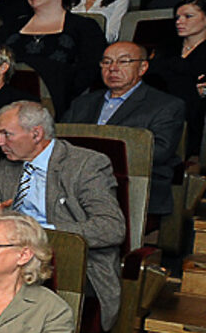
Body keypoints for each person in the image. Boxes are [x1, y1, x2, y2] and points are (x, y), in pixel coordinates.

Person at [0, 101, 127, 330]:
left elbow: (111, 228)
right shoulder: (7, 167)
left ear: (36, 133)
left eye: (6, 134)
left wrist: (42, 234)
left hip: (71, 260)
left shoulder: (85, 165)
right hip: (11, 253)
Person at [63, 41, 185, 216]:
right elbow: (59, 140)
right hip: (76, 183)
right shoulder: (82, 103)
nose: (112, 68)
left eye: (123, 62)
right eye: (106, 62)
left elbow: (158, 151)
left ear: (142, 67)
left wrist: (96, 162)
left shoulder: (166, 105)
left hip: (132, 183)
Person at [0, 0, 105, 116]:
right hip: (6, 103)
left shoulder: (84, 26)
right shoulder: (11, 26)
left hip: (62, 104)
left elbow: (90, 69)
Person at [148, 0, 206, 164]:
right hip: (163, 105)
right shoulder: (168, 46)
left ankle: (192, 156)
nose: (179, 22)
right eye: (178, 17)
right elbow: (152, 76)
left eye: (188, 16)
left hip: (195, 111)